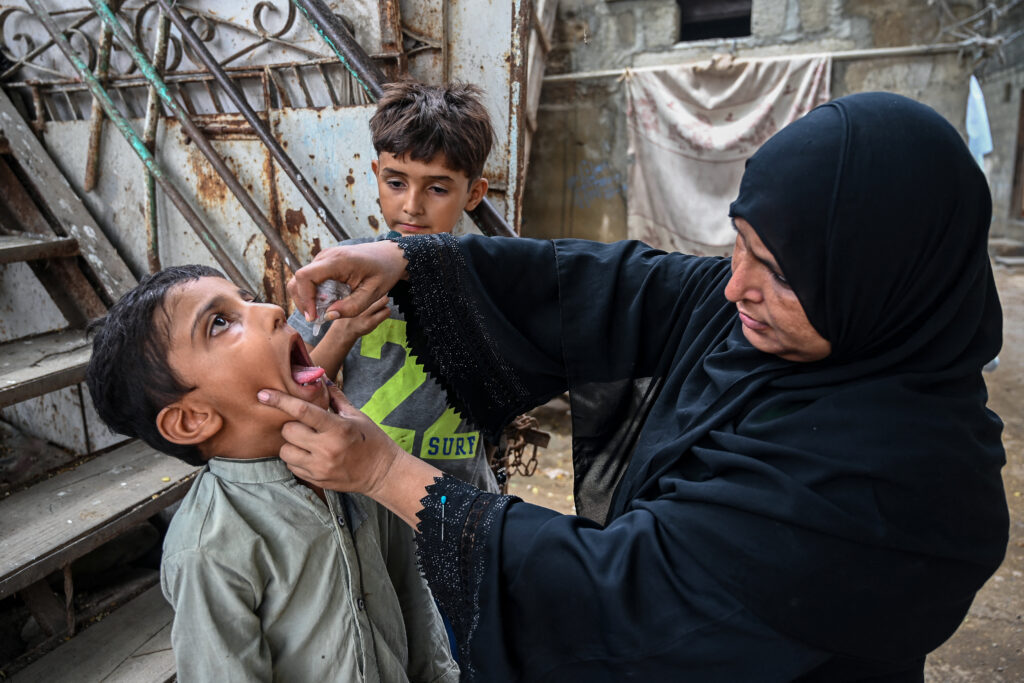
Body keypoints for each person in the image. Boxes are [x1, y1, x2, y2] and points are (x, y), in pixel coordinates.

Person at [259, 92, 1009, 681]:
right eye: (737, 243)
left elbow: (630, 593)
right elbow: (615, 284)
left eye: (775, 272)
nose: (733, 287)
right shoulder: (782, 323)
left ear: (883, 287)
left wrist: (386, 470)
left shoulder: (901, 488)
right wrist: (410, 261)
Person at [85, 265, 459, 682]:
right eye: (220, 322)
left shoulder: (358, 464)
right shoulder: (207, 548)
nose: (271, 310)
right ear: (192, 420)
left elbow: (412, 597)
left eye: (247, 297)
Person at [291, 79, 500, 494]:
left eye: (437, 188)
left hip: (460, 494)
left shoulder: (489, 277)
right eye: (397, 182)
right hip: (366, 493)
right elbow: (297, 390)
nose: (412, 205)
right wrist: (344, 330)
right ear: (376, 174)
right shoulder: (339, 273)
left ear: (473, 193)